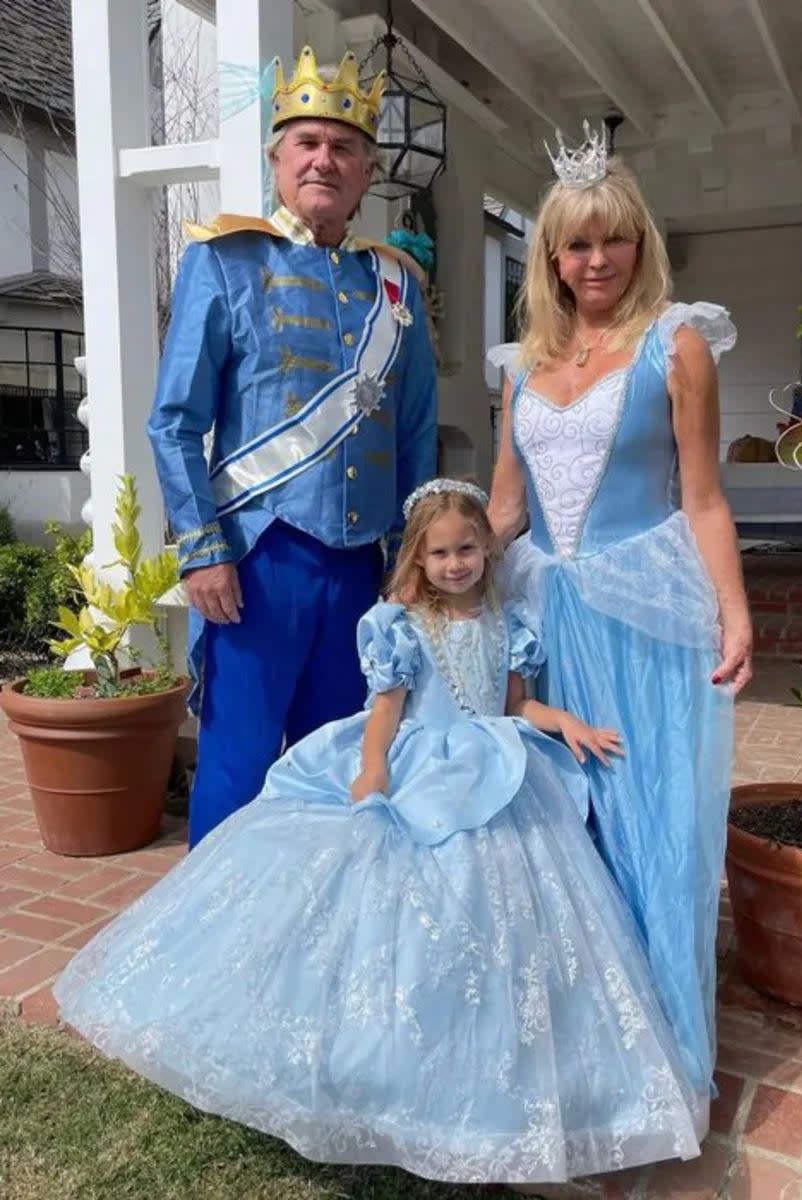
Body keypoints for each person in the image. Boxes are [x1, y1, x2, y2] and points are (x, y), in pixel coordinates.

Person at [54, 479, 706, 1191]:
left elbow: (519, 705)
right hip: (416, 768)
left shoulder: (510, 620)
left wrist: (567, 724)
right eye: (441, 553)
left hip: (493, 768)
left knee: (501, 913)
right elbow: (384, 711)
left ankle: (484, 1070)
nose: (456, 564)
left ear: (487, 549)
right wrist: (372, 771)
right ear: (417, 560)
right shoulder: (398, 624)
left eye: (467, 549)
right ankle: (368, 1069)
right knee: (388, 908)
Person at [487, 130, 753, 1138]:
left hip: (646, 618)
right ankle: (574, 1039)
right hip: (545, 615)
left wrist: (734, 612)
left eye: (613, 243)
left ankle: (661, 1061)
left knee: (652, 824)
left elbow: (703, 497)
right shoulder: (522, 365)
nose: (595, 264)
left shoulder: (676, 343)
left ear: (640, 246)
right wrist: (433, 571)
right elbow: (507, 506)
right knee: (559, 826)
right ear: (549, 259)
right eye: (574, 247)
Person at [147, 47, 437, 848]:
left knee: (336, 763)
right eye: (306, 143)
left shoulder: (394, 286)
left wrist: (412, 565)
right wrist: (203, 551)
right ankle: (222, 952)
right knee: (237, 768)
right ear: (277, 158)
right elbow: (173, 421)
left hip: (361, 573)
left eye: (343, 147)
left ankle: (310, 939)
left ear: (367, 170)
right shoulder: (223, 260)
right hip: (253, 564)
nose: (323, 160)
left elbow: (415, 435)